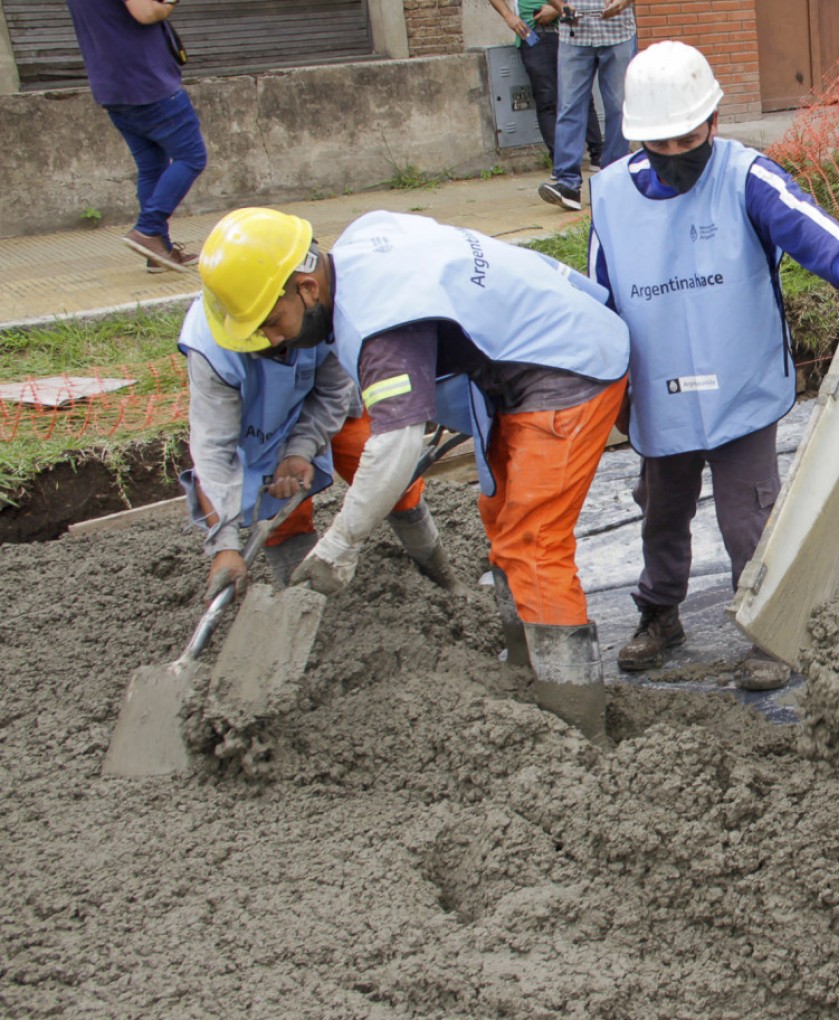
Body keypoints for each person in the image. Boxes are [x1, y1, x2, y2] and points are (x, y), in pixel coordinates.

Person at [196, 206, 631, 742]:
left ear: (307, 288)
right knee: (503, 521)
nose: (267, 341)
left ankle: (577, 724)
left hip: (569, 367)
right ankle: (524, 670)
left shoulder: (380, 325)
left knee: (535, 542)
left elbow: (397, 447)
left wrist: (338, 545)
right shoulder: (360, 242)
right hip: (515, 369)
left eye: (269, 323)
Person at [588, 41, 839, 689]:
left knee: (748, 515)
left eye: (687, 138)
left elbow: (800, 221)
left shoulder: (744, 174)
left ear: (714, 121)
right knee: (661, 511)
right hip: (659, 392)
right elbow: (600, 295)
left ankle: (768, 629)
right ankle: (660, 611)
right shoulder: (611, 196)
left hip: (740, 384)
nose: (675, 155)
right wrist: (604, 388)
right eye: (660, 144)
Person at [175, 294, 459, 600]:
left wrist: (300, 449)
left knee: (394, 480)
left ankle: (442, 575)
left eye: (274, 324)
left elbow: (333, 392)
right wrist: (226, 546)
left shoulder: (322, 304)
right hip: (258, 420)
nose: (272, 337)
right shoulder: (212, 350)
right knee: (280, 510)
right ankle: (305, 602)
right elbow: (213, 452)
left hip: (325, 403)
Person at [66, 0, 209, 273]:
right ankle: (148, 229)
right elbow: (145, 11)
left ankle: (159, 252)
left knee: (151, 168)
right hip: (146, 81)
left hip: (111, 85)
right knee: (191, 157)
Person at [537, 0, 636, 211]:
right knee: (569, 107)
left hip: (617, 31)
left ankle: (614, 180)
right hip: (575, 32)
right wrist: (559, 5)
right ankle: (568, 184)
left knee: (619, 109)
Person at [487, 0, 608, 169]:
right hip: (534, 34)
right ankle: (561, 163)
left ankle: (598, 154)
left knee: (582, 95)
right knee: (547, 98)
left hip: (569, 32)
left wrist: (557, 9)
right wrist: (509, 16)